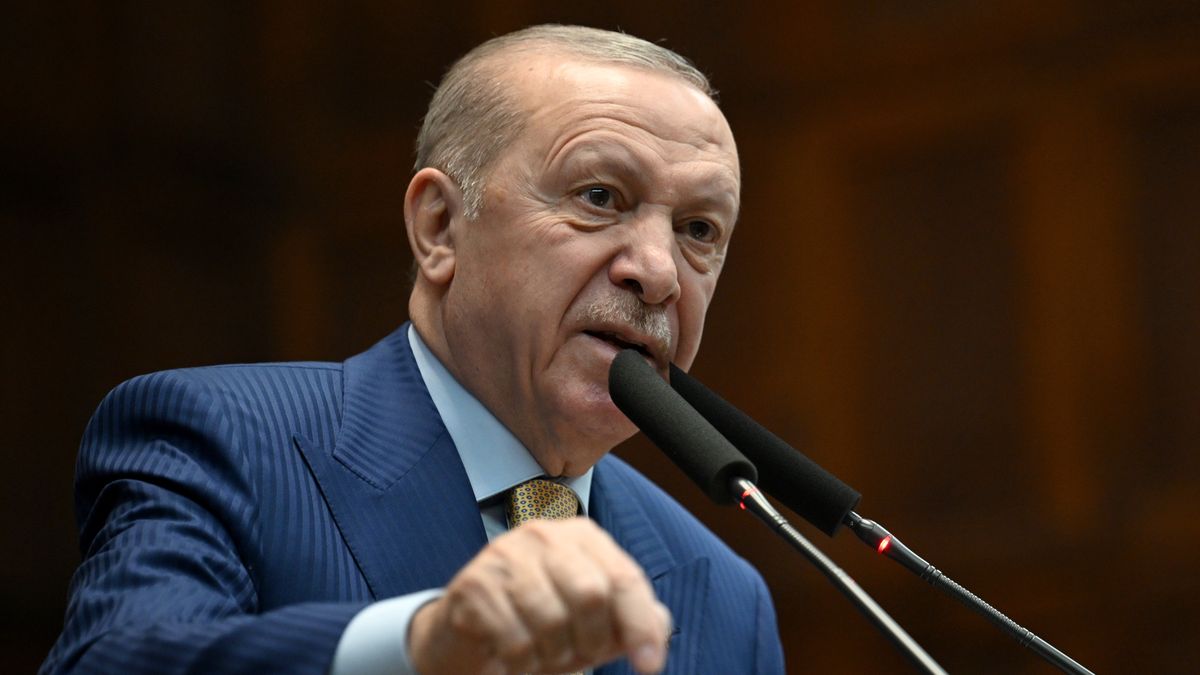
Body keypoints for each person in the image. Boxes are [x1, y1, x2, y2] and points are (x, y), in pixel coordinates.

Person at [42, 24, 785, 675]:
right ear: (438, 227)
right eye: (600, 196)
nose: (657, 272)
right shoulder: (220, 437)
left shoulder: (725, 593)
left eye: (698, 230)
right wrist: (422, 642)